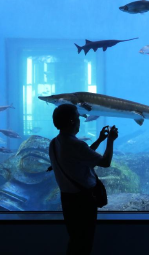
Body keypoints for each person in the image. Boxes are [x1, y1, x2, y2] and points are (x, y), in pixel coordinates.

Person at [48, 104, 118, 255]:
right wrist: (110, 140)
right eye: (78, 117)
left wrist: (99, 140)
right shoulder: (76, 144)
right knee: (85, 242)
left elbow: (80, 156)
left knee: (75, 239)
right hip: (83, 201)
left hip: (67, 200)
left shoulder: (54, 143)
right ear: (73, 121)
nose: (80, 120)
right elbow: (105, 162)